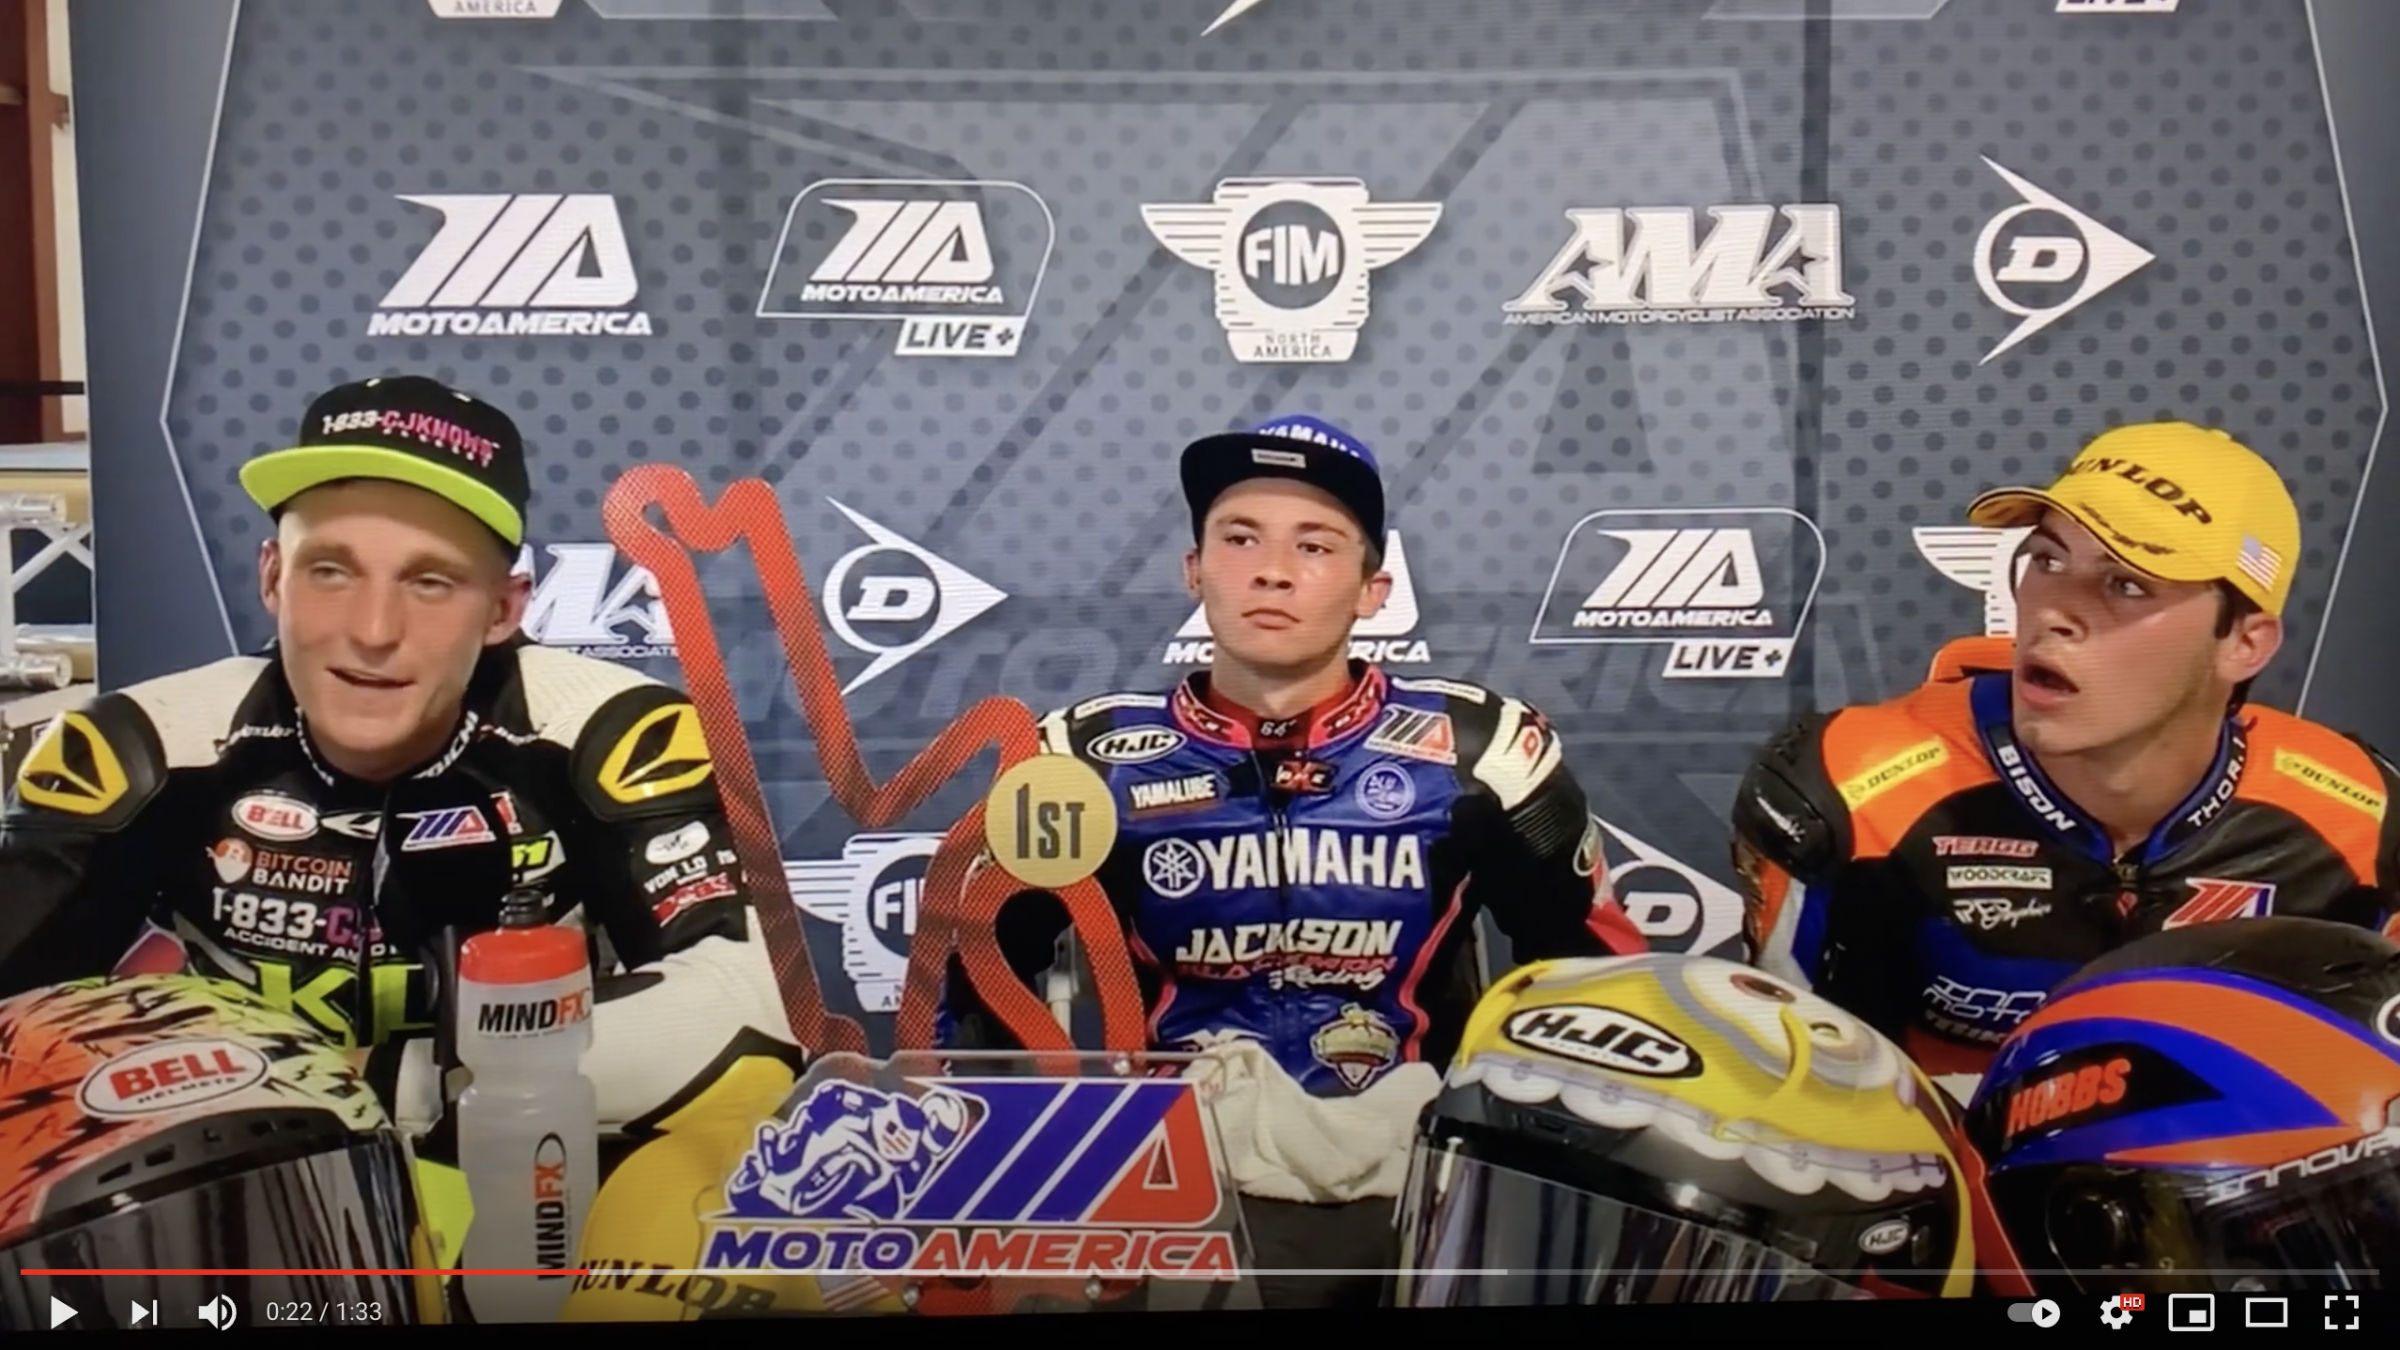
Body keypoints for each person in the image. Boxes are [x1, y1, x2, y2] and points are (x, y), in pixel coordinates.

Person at [942, 414, 1647, 1309]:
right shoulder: (1081, 763)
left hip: (1419, 1192)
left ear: (1372, 589)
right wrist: (1004, 1180)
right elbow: (975, 984)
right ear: (1194, 570)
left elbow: (1599, 985)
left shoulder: (1485, 753)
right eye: (1240, 539)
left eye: (1314, 545)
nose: (1272, 570)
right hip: (1174, 1193)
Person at [0, 375, 795, 1147]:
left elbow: (750, 1008)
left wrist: (375, 1084)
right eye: (331, 571)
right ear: (273, 578)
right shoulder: (144, 745)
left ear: (503, 610)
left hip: (524, 1173)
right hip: (234, 1191)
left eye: (431, 581)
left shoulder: (609, 733)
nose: (373, 631)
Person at [1730, 421, 2400, 1103]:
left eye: (2126, 584)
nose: (2052, 612)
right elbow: (1786, 1108)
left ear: (2244, 644)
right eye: (2047, 561)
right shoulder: (1849, 791)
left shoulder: (2363, 823)